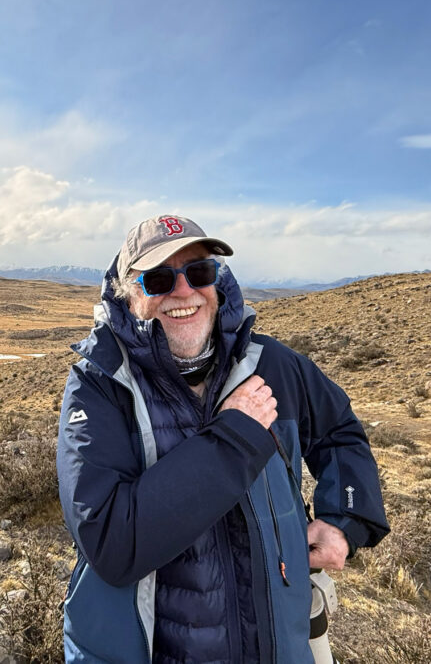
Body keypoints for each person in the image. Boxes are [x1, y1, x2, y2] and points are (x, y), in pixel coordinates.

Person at [57, 215, 390, 663]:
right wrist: (234, 438)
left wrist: (346, 517)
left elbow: (339, 431)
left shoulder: (272, 364)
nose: (183, 292)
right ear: (128, 295)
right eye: (157, 280)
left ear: (218, 280)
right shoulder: (100, 386)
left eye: (199, 272)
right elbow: (112, 544)